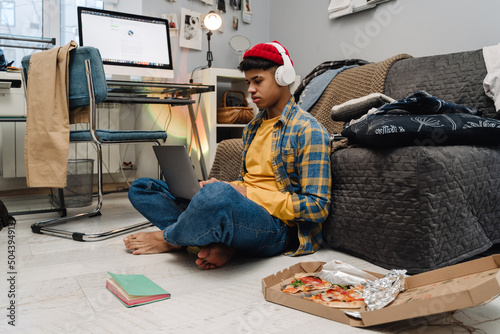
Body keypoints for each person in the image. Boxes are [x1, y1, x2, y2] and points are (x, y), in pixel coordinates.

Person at [123, 41, 331, 269]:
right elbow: (248, 182)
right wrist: (223, 186)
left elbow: (317, 207)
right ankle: (216, 239)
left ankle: (172, 239)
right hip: (243, 209)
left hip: (276, 227)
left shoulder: (309, 130)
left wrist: (241, 193)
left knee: (217, 196)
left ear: (283, 77)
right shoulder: (253, 127)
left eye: (258, 81)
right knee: (143, 188)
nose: (250, 89)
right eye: (248, 82)